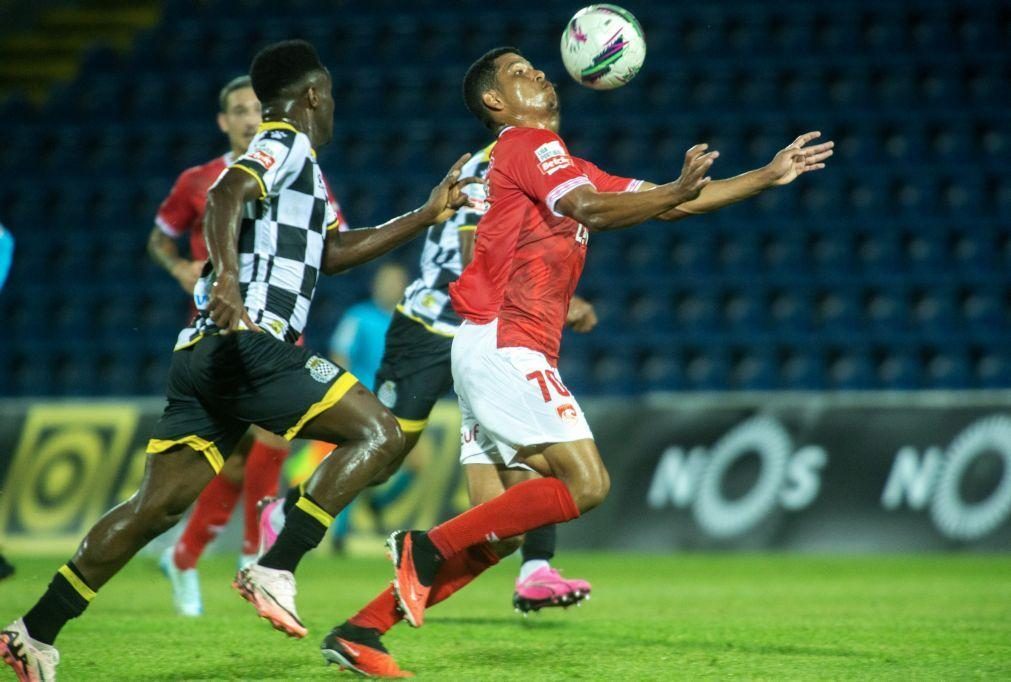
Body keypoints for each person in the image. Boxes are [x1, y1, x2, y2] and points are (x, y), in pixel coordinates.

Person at [319, 46, 833, 677]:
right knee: (587, 484)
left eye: (535, 67)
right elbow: (592, 209)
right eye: (518, 72)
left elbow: (668, 203)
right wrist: (673, 186)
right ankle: (423, 548)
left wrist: (762, 175)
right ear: (494, 102)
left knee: (501, 533)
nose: (538, 73)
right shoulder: (526, 145)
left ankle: (362, 630)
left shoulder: (559, 162)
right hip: (507, 342)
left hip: (488, 346)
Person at [0, 39, 478, 680]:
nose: (333, 108)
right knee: (382, 434)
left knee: (154, 508)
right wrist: (227, 277)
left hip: (202, 355)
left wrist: (427, 213)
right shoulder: (284, 141)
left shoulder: (305, 172)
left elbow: (333, 253)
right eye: (330, 96)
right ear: (313, 95)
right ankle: (277, 562)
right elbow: (225, 194)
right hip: (251, 343)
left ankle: (34, 632)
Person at [261, 148, 598, 608]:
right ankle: (288, 511)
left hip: (494, 335)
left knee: (533, 441)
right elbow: (473, 252)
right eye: (522, 72)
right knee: (384, 457)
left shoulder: (547, 165)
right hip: (428, 330)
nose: (540, 81)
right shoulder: (492, 166)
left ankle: (536, 568)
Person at [147, 74, 315, 617]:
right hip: (222, 324)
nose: (249, 118)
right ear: (223, 121)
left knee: (243, 461)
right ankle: (255, 555)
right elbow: (159, 236)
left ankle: (188, 556)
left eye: (256, 109)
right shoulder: (200, 181)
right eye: (238, 110)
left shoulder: (291, 166)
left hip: (277, 318)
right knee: (259, 442)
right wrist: (178, 267)